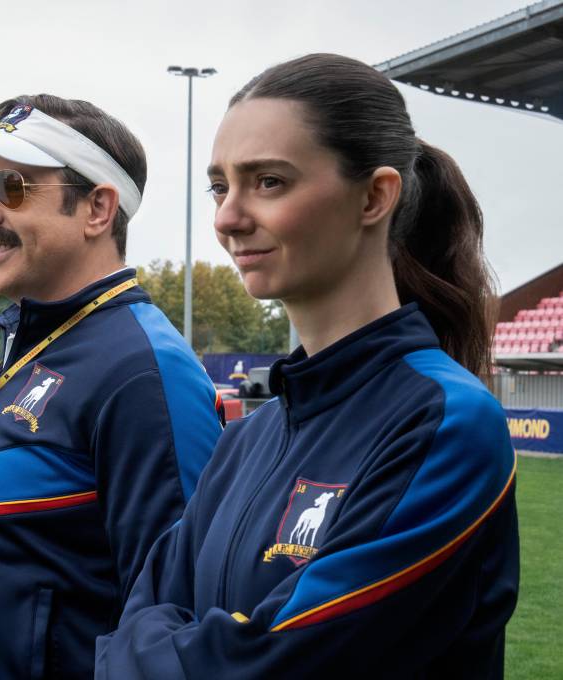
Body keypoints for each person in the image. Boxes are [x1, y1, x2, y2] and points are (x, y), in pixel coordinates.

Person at [97, 54, 519, 679]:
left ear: (375, 196)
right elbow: (129, 624)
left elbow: (269, 664)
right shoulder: (244, 440)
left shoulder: (445, 424)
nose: (227, 218)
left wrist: (158, 651)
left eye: (269, 181)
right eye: (220, 186)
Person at [0, 95, 224, 679]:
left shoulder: (143, 371)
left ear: (96, 208)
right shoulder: (39, 341)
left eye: (11, 186)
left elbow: (177, 626)